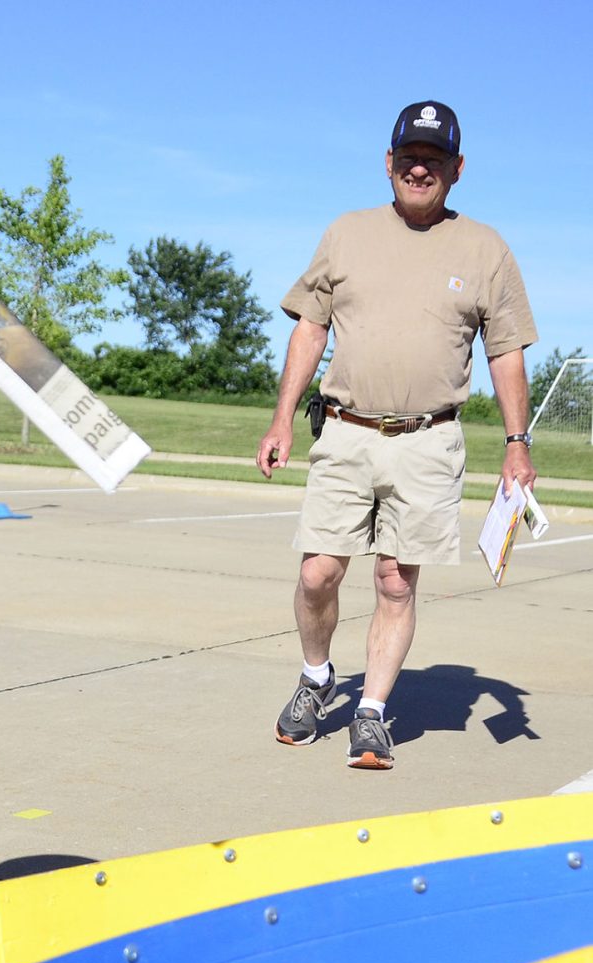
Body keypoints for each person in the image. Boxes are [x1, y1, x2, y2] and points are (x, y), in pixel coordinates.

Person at [255, 101, 537, 770]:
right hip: (346, 432)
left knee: (395, 582)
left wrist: (516, 443)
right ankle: (318, 676)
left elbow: (506, 352)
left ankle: (372, 713)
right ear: (388, 163)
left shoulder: (485, 249)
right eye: (409, 156)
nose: (420, 167)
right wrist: (280, 420)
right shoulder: (347, 234)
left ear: (456, 169)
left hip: (428, 440)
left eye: (434, 159)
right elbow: (310, 330)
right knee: (319, 572)